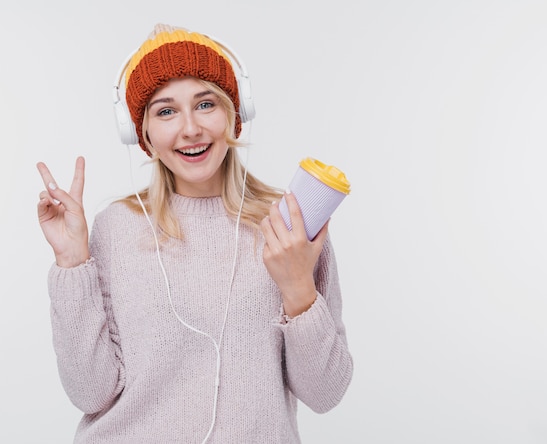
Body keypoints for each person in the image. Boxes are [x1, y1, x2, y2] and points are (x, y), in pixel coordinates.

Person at [36, 23, 353, 443]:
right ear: (141, 133)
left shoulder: (290, 224)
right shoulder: (116, 228)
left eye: (206, 104)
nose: (190, 129)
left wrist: (298, 289)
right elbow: (90, 392)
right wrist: (72, 262)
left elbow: (325, 393)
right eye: (165, 111)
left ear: (235, 114)